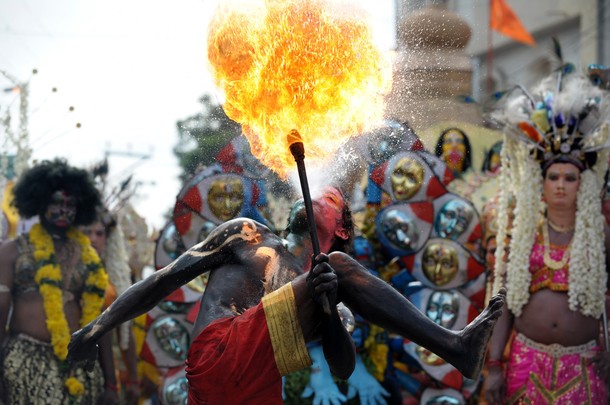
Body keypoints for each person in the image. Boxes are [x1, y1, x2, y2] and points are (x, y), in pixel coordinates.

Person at [68, 186, 506, 404]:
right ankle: (453, 346)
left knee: (332, 276)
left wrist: (329, 308)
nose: (317, 194)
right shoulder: (246, 234)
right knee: (332, 271)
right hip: (216, 359)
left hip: (259, 389)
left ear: (342, 229)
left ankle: (457, 348)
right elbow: (161, 281)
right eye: (315, 190)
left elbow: (342, 365)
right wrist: (94, 328)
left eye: (331, 197)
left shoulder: (338, 284)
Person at [485, 72, 610, 404]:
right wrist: (495, 365)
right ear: (541, 183)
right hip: (527, 364)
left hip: (585, 365)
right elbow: (505, 305)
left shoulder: (601, 235)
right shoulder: (523, 234)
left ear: (582, 184)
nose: (560, 184)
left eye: (570, 178)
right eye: (552, 176)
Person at [0, 158, 118, 404]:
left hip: (81, 370)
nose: (64, 210)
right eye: (56, 202)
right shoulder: (12, 251)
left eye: (70, 204)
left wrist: (111, 384)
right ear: (40, 203)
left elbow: (101, 323)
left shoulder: (90, 260)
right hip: (23, 366)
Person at [82, 211, 140, 404]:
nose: (93, 239)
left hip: (115, 368)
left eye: (99, 233)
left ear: (107, 239)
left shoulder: (117, 279)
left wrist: (133, 378)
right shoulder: (68, 272)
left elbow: (126, 333)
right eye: (87, 232)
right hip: (77, 366)